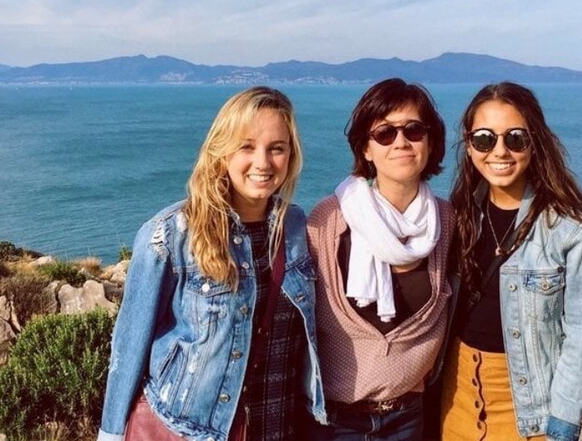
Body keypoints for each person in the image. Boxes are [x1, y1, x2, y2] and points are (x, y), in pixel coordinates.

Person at [97, 87, 326, 441]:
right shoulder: (172, 234)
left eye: (276, 148)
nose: (263, 162)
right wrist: (110, 434)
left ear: (291, 156)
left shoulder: (295, 228)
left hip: (279, 427)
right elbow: (129, 345)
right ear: (222, 152)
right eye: (246, 146)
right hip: (190, 430)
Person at [440, 82, 582, 441]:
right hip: (453, 399)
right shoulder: (457, 216)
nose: (500, 151)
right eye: (485, 139)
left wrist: (563, 424)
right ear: (469, 143)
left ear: (535, 140)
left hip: (527, 414)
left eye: (515, 138)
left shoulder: (569, 230)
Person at [305, 78, 455, 441]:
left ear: (430, 141)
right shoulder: (327, 221)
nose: (401, 142)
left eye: (414, 130)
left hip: (409, 419)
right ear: (366, 149)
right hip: (333, 423)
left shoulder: (448, 223)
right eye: (384, 133)